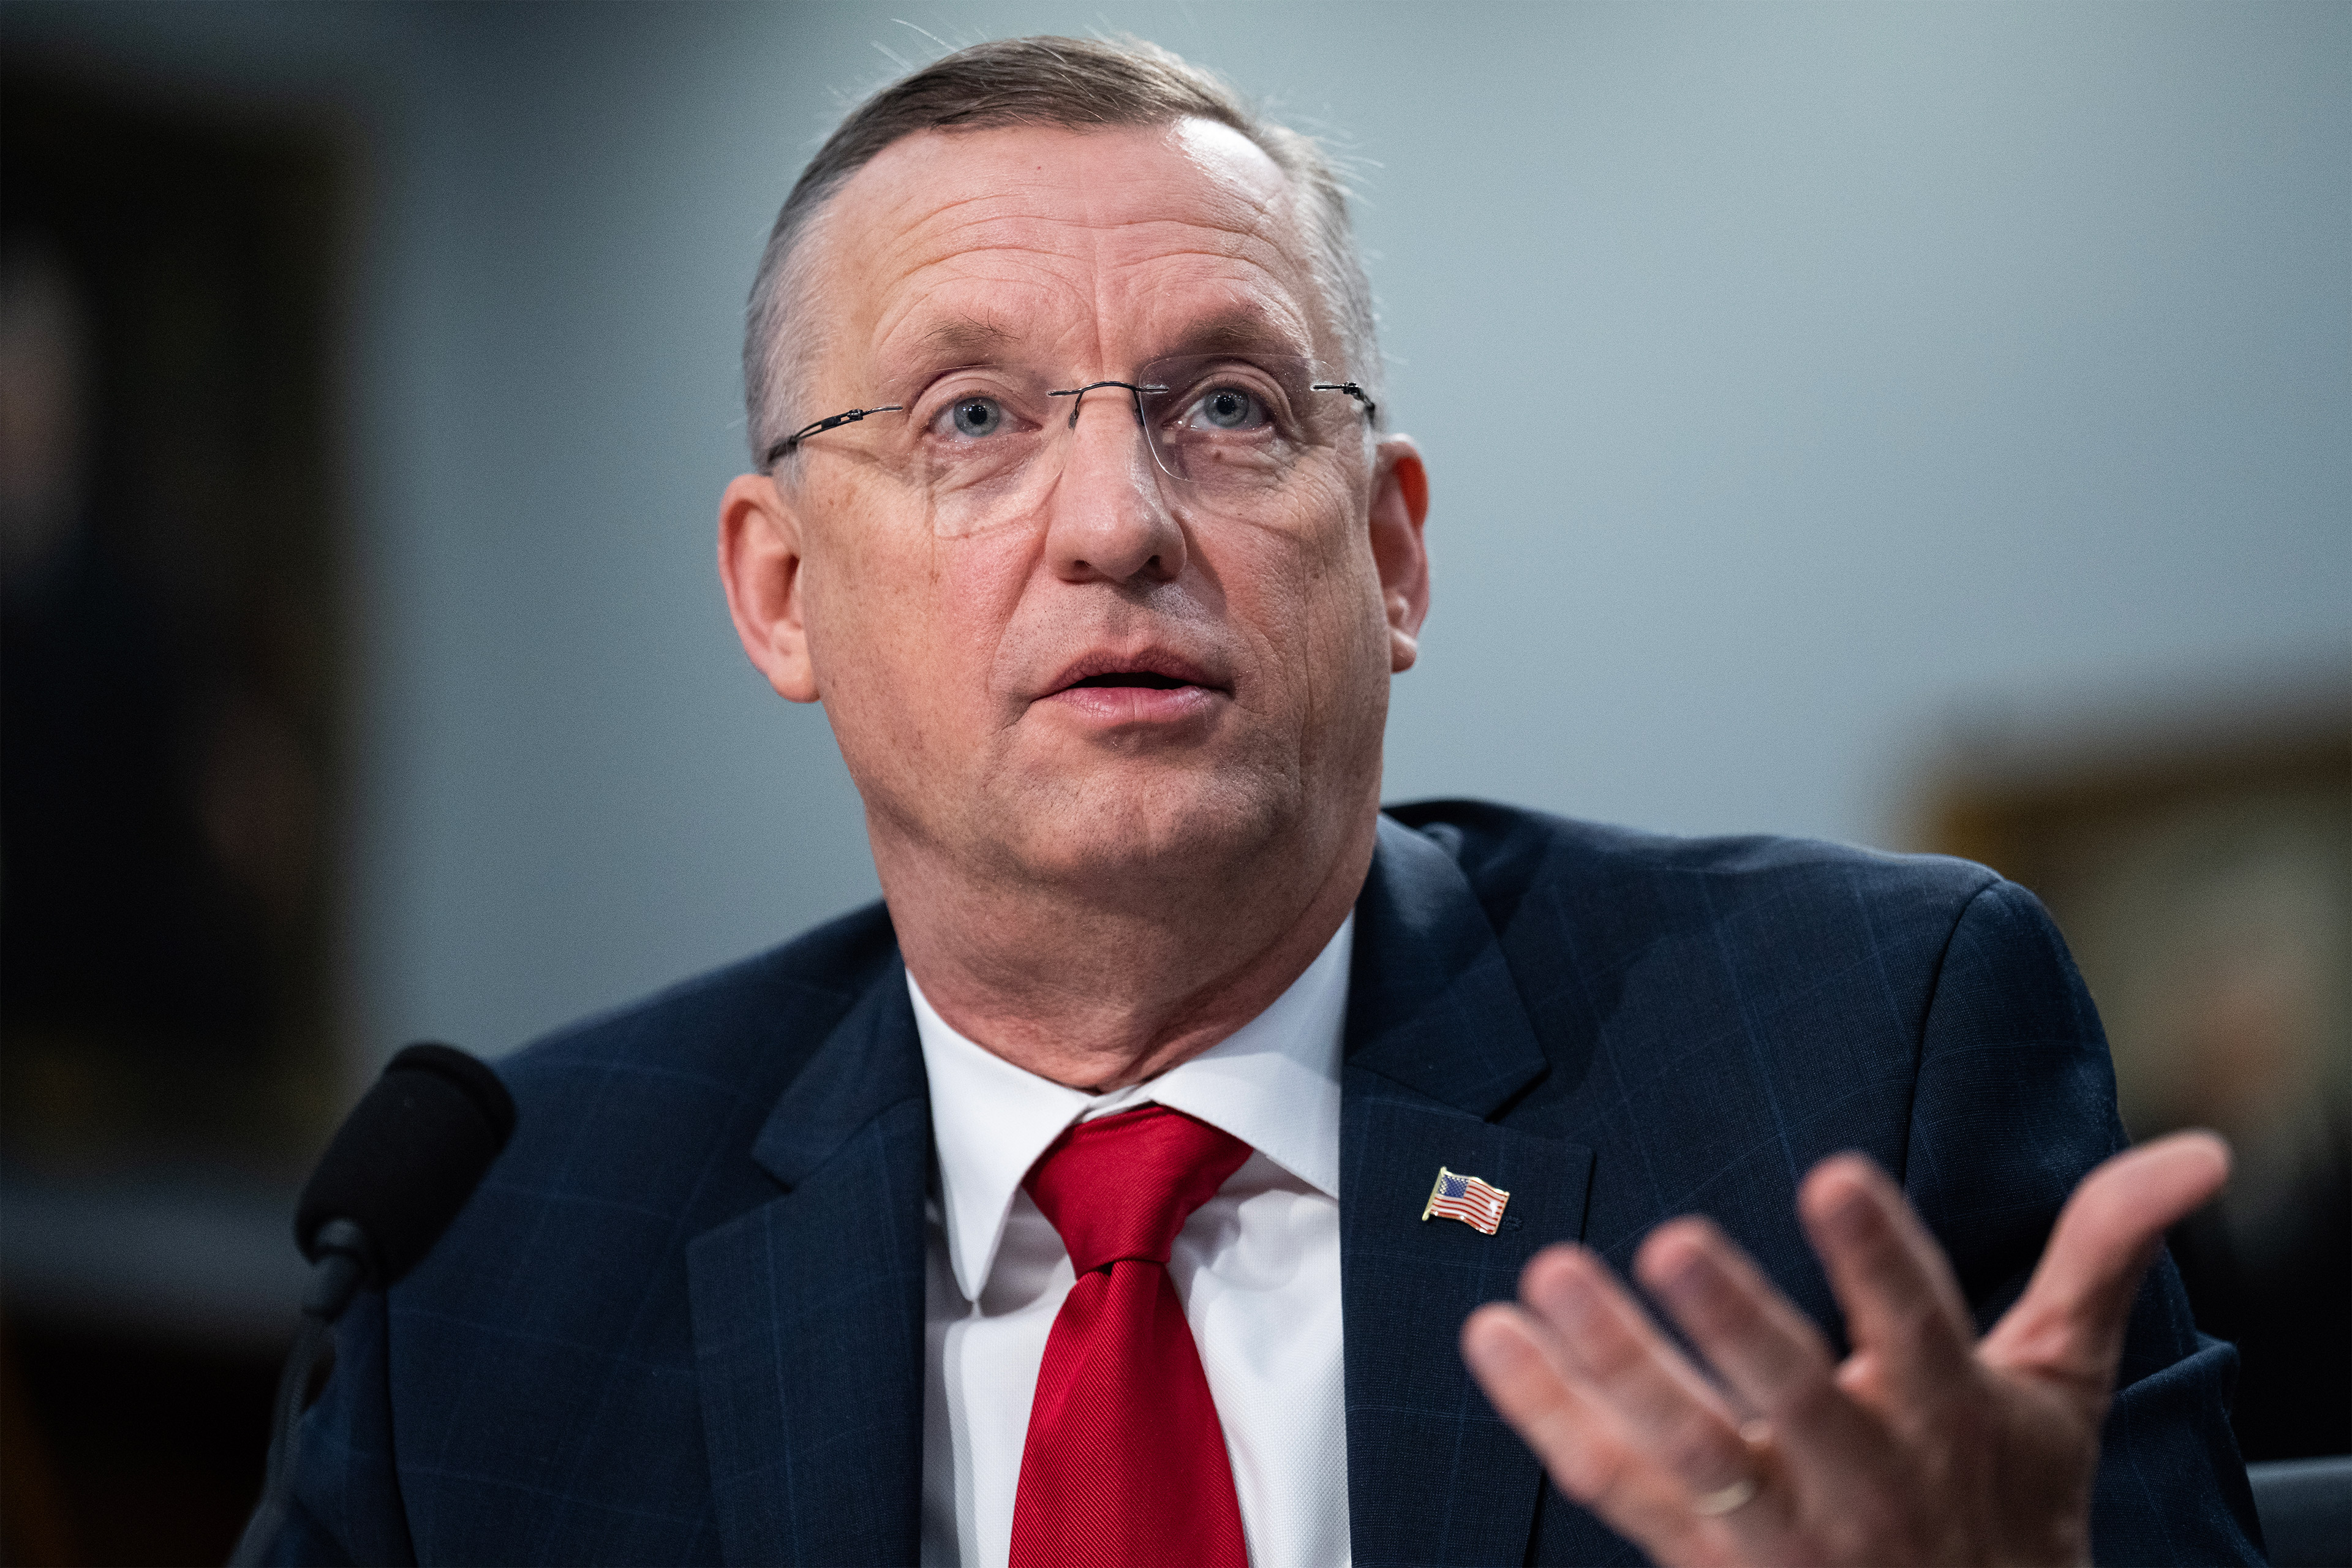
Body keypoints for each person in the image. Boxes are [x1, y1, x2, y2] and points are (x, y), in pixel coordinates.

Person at [276, 35, 2261, 1568]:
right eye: (972, 418)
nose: (1120, 525)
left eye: (1229, 404)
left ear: (1391, 557)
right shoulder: (499, 1263)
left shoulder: (1852, 1058)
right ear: (781, 590)